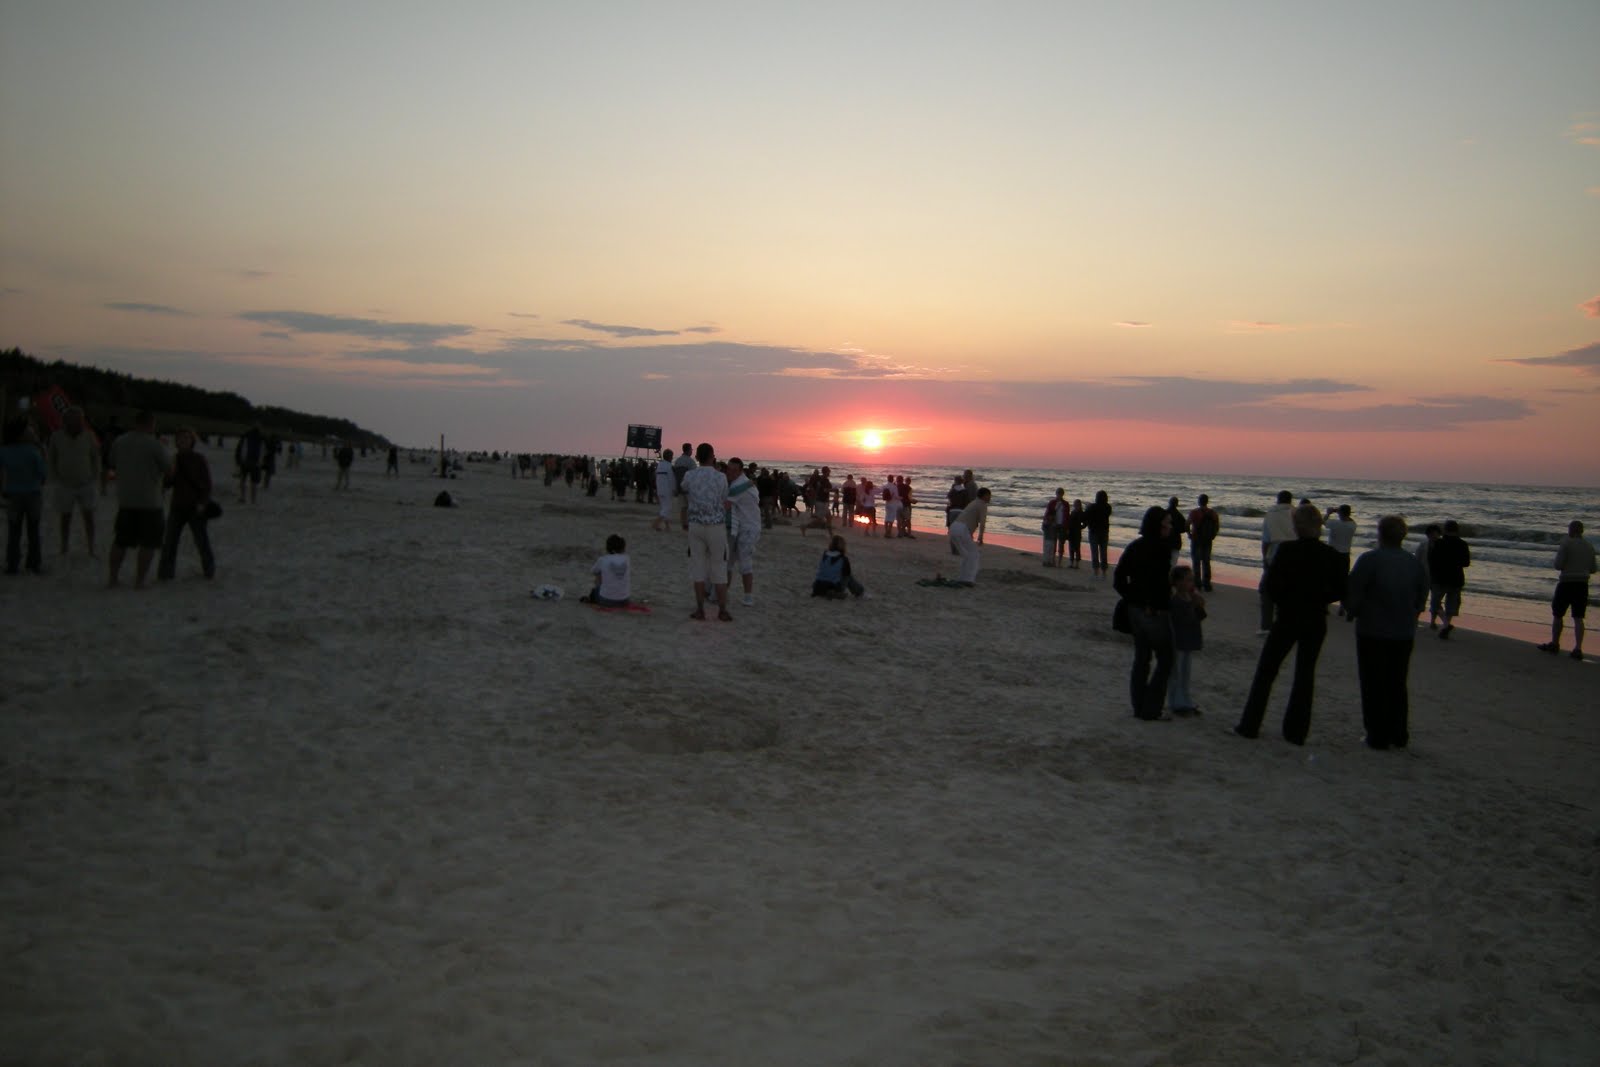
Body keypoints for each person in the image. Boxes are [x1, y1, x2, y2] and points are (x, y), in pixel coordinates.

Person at [1234, 504, 1346, 745]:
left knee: (1267, 671)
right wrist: (1320, 598)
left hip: (1288, 616)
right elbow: (1340, 590)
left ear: (1298, 526)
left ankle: (1250, 724)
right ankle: (1296, 732)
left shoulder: (1287, 550)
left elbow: (1271, 585)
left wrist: (1285, 599)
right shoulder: (1332, 555)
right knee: (1305, 674)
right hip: (1315, 618)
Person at [1344, 515, 1429, 749]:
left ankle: (1377, 735)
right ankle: (1398, 733)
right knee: (1397, 683)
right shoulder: (1413, 563)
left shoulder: (1370, 560)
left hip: (1372, 630)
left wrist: (1352, 610)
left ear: (1380, 534)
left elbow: (1353, 591)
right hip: (1403, 632)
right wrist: (1413, 613)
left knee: (1373, 683)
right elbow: (1422, 595)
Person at [1113, 506, 1176, 720]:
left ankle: (1139, 706)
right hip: (1153, 612)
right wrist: (1149, 603)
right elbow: (1159, 584)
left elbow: (1119, 578)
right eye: (1167, 523)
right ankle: (1151, 708)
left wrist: (1131, 598)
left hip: (1136, 610)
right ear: (1159, 525)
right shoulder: (1161, 549)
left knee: (1142, 658)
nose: (1170, 527)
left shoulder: (1135, 546)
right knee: (1166, 658)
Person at [107, 411, 172, 589]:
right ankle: (139, 580)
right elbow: (169, 468)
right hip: (150, 501)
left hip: (126, 499)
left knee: (120, 540)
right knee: (148, 543)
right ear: (151, 424)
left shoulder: (120, 441)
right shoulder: (154, 444)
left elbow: (112, 462)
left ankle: (113, 578)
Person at [157, 427, 216, 581]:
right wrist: (170, 470)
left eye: (186, 438)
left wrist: (203, 502)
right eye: (180, 438)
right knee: (170, 542)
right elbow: (167, 483)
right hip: (177, 505)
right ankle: (165, 573)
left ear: (192, 442)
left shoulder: (199, 459)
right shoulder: (174, 459)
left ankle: (209, 570)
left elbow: (207, 484)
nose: (183, 441)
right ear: (176, 442)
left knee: (201, 541)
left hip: (195, 506)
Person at [681, 442, 731, 620]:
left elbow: (683, 488)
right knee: (719, 567)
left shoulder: (689, 475)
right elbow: (724, 498)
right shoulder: (721, 477)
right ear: (712, 456)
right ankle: (722, 610)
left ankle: (700, 609)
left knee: (698, 568)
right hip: (716, 526)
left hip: (696, 525)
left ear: (696, 457)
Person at [46, 405, 101, 558]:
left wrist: (94, 476)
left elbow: (95, 456)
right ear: (66, 421)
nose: (79, 422)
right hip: (65, 483)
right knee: (65, 517)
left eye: (80, 419)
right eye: (75, 419)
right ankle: (64, 547)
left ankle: (91, 548)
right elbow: (51, 458)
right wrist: (55, 477)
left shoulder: (88, 435)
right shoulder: (56, 436)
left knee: (89, 516)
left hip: (86, 482)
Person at [1539, 520, 1595, 661]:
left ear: (1571, 530)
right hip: (1582, 584)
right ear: (1581, 531)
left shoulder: (1566, 544)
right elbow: (1593, 568)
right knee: (1578, 617)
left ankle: (1555, 643)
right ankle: (1578, 648)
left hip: (1566, 582)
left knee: (1558, 614)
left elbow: (1558, 565)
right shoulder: (1589, 546)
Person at [1, 416, 47, 575]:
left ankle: (12, 563)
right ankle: (33, 563)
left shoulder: (4, 451)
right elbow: (42, 473)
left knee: (14, 531)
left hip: (13, 493)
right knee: (33, 530)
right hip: (32, 493)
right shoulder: (32, 452)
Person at [1167, 564, 1206, 717]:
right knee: (1176, 673)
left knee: (1185, 672)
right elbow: (1182, 621)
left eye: (1192, 580)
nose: (1191, 583)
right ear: (1178, 582)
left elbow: (1200, 617)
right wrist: (1193, 606)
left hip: (1189, 640)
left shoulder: (1190, 598)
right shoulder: (1175, 601)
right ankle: (1176, 703)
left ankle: (1185, 700)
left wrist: (1198, 603)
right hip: (1179, 641)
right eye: (1188, 580)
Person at [1258, 490, 1296, 632]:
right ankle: (1285, 623)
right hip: (1293, 558)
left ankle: (1266, 626)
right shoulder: (1297, 513)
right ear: (1290, 500)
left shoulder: (1271, 514)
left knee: (1267, 592)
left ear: (1278, 499)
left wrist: (1264, 557)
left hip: (1274, 556)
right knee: (1289, 592)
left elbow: (1266, 540)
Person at [725, 457, 761, 606]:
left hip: (748, 528)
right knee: (729, 562)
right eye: (729, 469)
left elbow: (725, 505)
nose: (730, 472)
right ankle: (723, 594)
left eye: (734, 470)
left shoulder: (738, 485)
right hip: (740, 527)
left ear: (740, 471)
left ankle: (748, 597)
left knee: (744, 563)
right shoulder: (745, 483)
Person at [1430, 519, 1470, 639]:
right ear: (1457, 530)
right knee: (1451, 605)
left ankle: (1445, 624)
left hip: (1440, 577)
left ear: (1445, 530)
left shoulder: (1439, 543)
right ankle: (1445, 625)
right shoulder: (1463, 544)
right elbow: (1466, 563)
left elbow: (1432, 560)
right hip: (1456, 578)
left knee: (1435, 602)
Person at [947, 487, 991, 586]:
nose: (990, 498)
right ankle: (968, 580)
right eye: (989, 496)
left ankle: (963, 578)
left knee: (966, 555)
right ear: (984, 496)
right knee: (974, 554)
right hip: (962, 529)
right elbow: (982, 522)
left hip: (954, 528)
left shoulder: (973, 502)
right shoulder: (982, 504)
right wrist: (980, 537)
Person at [581, 533, 631, 607]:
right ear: (623, 548)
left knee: (599, 573)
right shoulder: (627, 559)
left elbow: (593, 571)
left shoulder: (603, 559)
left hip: (606, 601)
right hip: (625, 601)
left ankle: (595, 598)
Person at [1325, 505, 1357, 615]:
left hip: (1332, 554)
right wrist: (1340, 511)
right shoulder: (1352, 525)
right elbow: (1351, 520)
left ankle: (1326, 604)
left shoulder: (1334, 523)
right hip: (1345, 555)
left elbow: (1323, 522)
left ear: (1340, 513)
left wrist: (1329, 513)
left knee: (1329, 579)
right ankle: (1342, 606)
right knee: (1343, 580)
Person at [812, 534, 866, 599]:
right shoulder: (843, 558)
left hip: (817, 585)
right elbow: (847, 575)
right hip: (832, 585)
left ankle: (826, 592)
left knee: (836, 574)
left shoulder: (825, 554)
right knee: (848, 576)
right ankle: (859, 591)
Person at [1187, 494, 1219, 591]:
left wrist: (1189, 534)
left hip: (1196, 539)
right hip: (1207, 540)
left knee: (1196, 562)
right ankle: (1207, 583)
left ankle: (1197, 583)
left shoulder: (1194, 512)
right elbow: (1217, 526)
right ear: (1207, 501)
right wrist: (1213, 535)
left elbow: (1187, 524)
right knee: (1206, 562)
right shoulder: (1213, 513)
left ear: (1199, 501)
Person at [1416, 523, 1441, 626]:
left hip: (1437, 577)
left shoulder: (1441, 545)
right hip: (1424, 575)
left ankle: (1432, 621)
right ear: (1428, 534)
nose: (1434, 536)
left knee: (1436, 600)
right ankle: (1416, 619)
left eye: (1435, 534)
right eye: (1431, 534)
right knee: (1421, 598)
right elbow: (1417, 560)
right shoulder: (1423, 545)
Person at [234, 424, 265, 503]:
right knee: (254, 482)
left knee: (243, 480)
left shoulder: (246, 436)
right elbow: (263, 451)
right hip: (256, 463)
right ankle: (253, 499)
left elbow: (239, 448)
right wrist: (261, 463)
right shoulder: (261, 438)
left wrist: (238, 461)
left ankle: (242, 497)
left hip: (245, 461)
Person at [1084, 490, 1112, 577]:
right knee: (1104, 552)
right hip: (1104, 531)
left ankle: (1095, 571)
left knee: (1094, 551)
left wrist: (1087, 507)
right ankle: (1104, 571)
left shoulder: (1092, 507)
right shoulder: (1108, 507)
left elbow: (1086, 516)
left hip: (1094, 531)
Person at [651, 449, 676, 532]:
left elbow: (656, 477)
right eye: (672, 456)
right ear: (670, 457)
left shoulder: (660, 465)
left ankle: (667, 526)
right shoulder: (669, 466)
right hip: (667, 490)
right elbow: (671, 479)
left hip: (659, 489)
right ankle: (655, 524)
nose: (672, 458)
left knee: (663, 508)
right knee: (667, 508)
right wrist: (674, 489)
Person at [1042, 489, 1068, 567]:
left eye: (1061, 494)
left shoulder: (1065, 504)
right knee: (1053, 543)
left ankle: (1059, 562)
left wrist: (1067, 527)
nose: (1059, 495)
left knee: (1061, 544)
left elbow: (1067, 516)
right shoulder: (1052, 502)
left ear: (1063, 494)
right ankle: (1052, 560)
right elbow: (1047, 513)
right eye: (1058, 493)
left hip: (1062, 525)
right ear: (1056, 494)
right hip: (1054, 525)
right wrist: (1046, 522)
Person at [1164, 496, 1188, 568]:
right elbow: (1184, 528)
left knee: (1164, 561)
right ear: (1177, 504)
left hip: (1164, 541)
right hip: (1176, 541)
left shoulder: (1163, 513)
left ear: (1169, 503)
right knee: (1173, 563)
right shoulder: (1179, 515)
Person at [1066, 498, 1086, 569]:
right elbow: (1069, 522)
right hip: (1071, 531)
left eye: (1077, 505)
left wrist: (1080, 527)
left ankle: (1077, 564)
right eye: (1075, 504)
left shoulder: (1082, 513)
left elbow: (1085, 523)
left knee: (1077, 548)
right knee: (1071, 547)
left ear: (1080, 505)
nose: (1075, 506)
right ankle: (1071, 563)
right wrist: (1067, 529)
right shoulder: (1073, 512)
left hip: (1077, 532)